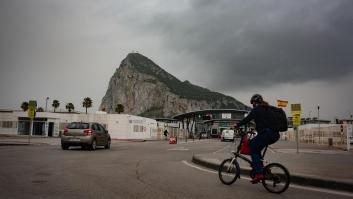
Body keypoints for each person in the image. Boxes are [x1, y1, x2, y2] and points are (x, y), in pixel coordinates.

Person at [234, 94, 280, 183]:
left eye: (253, 103)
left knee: (253, 148)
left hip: (266, 134)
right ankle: (261, 168)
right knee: (257, 148)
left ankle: (259, 173)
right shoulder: (267, 108)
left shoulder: (257, 110)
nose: (252, 105)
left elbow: (247, 119)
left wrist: (237, 125)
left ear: (255, 102)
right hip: (274, 135)